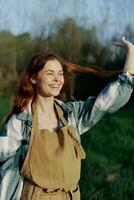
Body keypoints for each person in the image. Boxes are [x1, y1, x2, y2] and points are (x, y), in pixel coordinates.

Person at [0, 37, 134, 200]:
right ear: (33, 79)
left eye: (60, 73)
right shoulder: (20, 121)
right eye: (50, 73)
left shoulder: (71, 114)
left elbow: (108, 101)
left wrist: (131, 52)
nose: (57, 79)